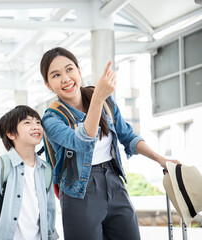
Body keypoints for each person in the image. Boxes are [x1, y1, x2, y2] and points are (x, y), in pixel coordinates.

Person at [40, 47, 180, 240]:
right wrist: (98, 99)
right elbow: (81, 142)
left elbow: (128, 137)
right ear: (48, 84)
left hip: (114, 181)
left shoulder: (105, 101)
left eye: (69, 69)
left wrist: (160, 159)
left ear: (79, 70)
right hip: (78, 192)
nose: (65, 78)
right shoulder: (51, 119)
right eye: (56, 75)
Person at [0, 105, 59, 240]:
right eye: (27, 123)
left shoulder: (46, 169)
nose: (36, 126)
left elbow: (50, 211)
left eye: (38, 122)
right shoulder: (0, 167)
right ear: (11, 134)